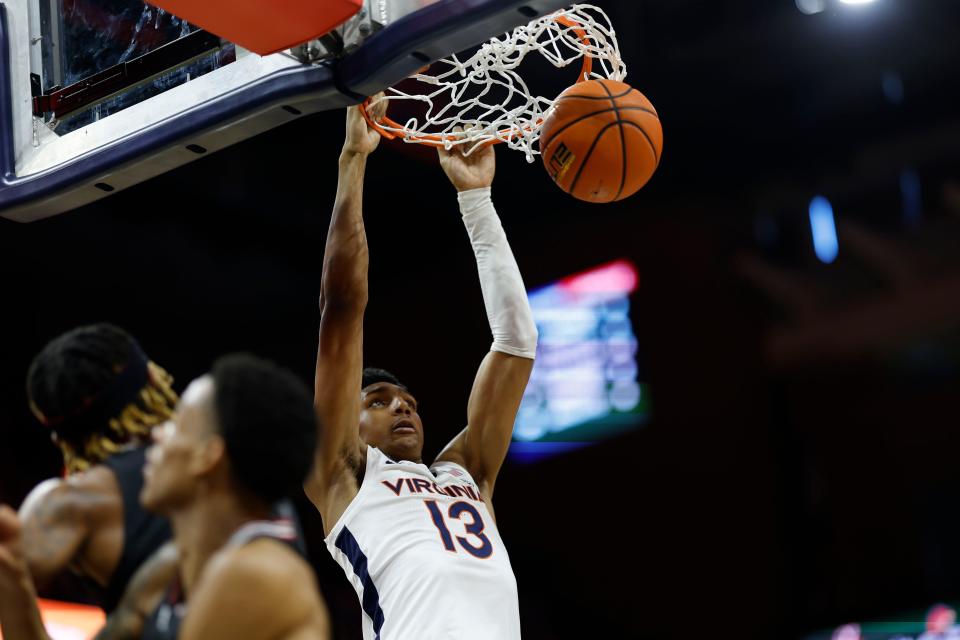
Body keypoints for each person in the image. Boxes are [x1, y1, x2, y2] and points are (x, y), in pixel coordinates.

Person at [305, 104, 538, 639]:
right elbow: (341, 305)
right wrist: (353, 160)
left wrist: (476, 200)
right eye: (378, 400)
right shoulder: (343, 472)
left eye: (406, 399)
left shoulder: (468, 472)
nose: (401, 405)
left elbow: (517, 343)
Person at [1, 354, 331, 640]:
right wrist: (11, 570)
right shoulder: (167, 572)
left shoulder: (254, 574)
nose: (158, 434)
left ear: (208, 456)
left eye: (177, 425)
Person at [19, 324, 176, 612]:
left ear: (59, 438)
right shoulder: (217, 451)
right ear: (154, 378)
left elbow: (12, 573)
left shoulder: (67, 504)